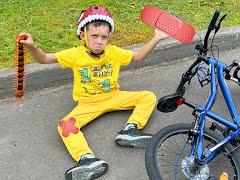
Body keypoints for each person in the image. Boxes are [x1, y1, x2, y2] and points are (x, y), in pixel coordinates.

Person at [19, 5, 169, 180]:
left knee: (148, 97)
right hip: (88, 103)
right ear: (83, 35)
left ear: (108, 38)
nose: (99, 41)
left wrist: (157, 37)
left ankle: (131, 130)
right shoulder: (75, 54)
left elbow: (137, 56)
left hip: (113, 96)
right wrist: (32, 46)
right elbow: (44, 58)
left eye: (104, 37)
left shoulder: (113, 52)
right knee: (65, 125)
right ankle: (87, 159)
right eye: (94, 36)